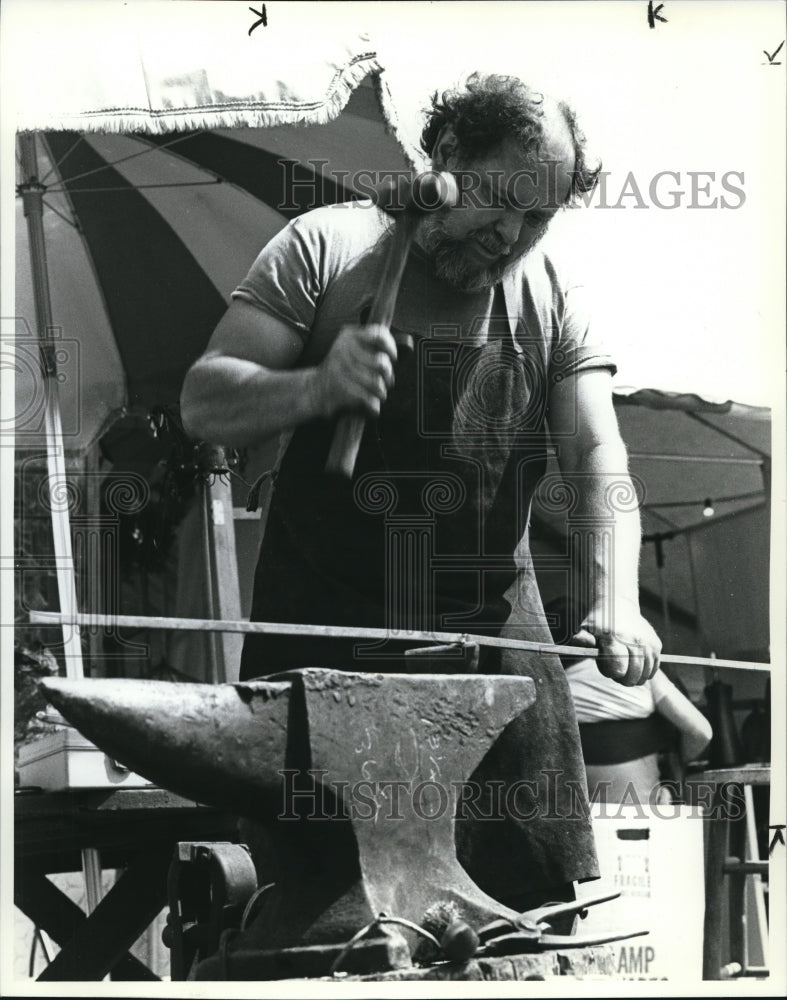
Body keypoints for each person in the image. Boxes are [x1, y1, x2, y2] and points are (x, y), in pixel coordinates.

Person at [181, 73, 662, 913]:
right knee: (327, 922)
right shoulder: (324, 249)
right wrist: (314, 387)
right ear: (443, 159)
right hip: (327, 636)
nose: (510, 232)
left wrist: (615, 595)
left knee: (522, 929)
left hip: (493, 648)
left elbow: (596, 452)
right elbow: (203, 403)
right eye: (500, 198)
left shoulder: (551, 294)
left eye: (537, 214)